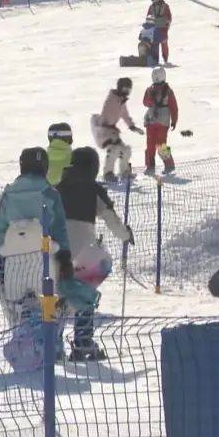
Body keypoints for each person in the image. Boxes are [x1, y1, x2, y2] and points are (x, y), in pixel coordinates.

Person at [56, 147, 134, 361]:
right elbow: (111, 220)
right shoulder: (93, 189)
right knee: (84, 293)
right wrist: (126, 234)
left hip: (55, 248)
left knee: (58, 294)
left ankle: (54, 342)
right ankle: (82, 342)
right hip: (83, 248)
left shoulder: (57, 188)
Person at [0, 148, 73, 327]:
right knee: (48, 313)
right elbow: (59, 229)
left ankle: (23, 343)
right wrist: (65, 258)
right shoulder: (50, 193)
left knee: (19, 314)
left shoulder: (8, 195)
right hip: (45, 263)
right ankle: (51, 348)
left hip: (13, 265)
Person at [95, 77, 143, 182]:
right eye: (125, 89)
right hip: (103, 131)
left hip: (111, 131)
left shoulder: (120, 100)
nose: (127, 92)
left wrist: (132, 126)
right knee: (114, 150)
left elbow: (124, 114)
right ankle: (108, 174)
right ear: (120, 88)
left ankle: (124, 172)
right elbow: (108, 116)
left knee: (126, 150)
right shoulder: (112, 100)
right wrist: (109, 133)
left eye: (129, 90)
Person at [143, 67, 178, 174]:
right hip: (163, 121)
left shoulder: (150, 90)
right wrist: (174, 120)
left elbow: (145, 102)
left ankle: (151, 166)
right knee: (160, 144)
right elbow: (173, 107)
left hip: (151, 120)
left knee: (151, 144)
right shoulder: (168, 91)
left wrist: (151, 99)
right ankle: (168, 165)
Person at [147, 0, 172, 64]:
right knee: (154, 44)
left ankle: (165, 60)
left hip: (163, 28)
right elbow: (148, 17)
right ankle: (155, 60)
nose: (154, 1)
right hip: (154, 29)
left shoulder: (165, 6)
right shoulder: (151, 7)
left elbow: (169, 17)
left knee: (164, 44)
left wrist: (165, 23)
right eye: (152, 0)